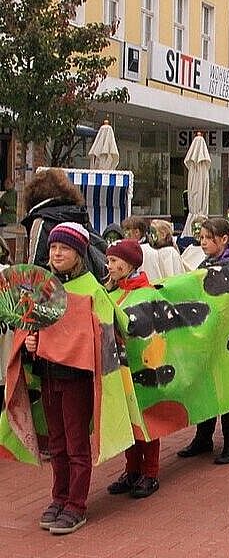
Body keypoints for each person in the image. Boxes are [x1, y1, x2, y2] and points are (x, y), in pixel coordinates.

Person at [20, 223, 128, 534]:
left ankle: (76, 505)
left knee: (76, 443)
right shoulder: (44, 288)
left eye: (64, 248)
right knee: (56, 443)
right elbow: (31, 327)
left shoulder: (92, 290)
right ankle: (59, 497)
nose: (56, 253)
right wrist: (29, 345)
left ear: (78, 253)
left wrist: (65, 344)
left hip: (77, 379)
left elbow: (107, 332)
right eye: (53, 248)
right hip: (48, 377)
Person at [177, 218, 229, 464]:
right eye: (202, 237)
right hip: (208, 336)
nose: (202, 242)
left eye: (208, 238)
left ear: (224, 239)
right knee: (205, 386)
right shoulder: (206, 262)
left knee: (227, 388)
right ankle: (203, 436)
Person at [104, 239, 160, 499]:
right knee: (129, 421)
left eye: (114, 261)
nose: (110, 266)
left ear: (129, 264)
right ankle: (132, 470)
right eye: (109, 261)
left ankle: (150, 472)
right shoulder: (112, 292)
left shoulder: (145, 294)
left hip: (144, 369)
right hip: (122, 368)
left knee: (147, 420)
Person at [20, 168, 107, 281]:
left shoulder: (42, 221)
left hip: (56, 292)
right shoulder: (78, 215)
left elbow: (35, 267)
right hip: (85, 281)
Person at [122, 216, 162, 280]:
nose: (125, 235)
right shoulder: (151, 248)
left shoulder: (144, 250)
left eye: (127, 230)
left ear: (137, 232)